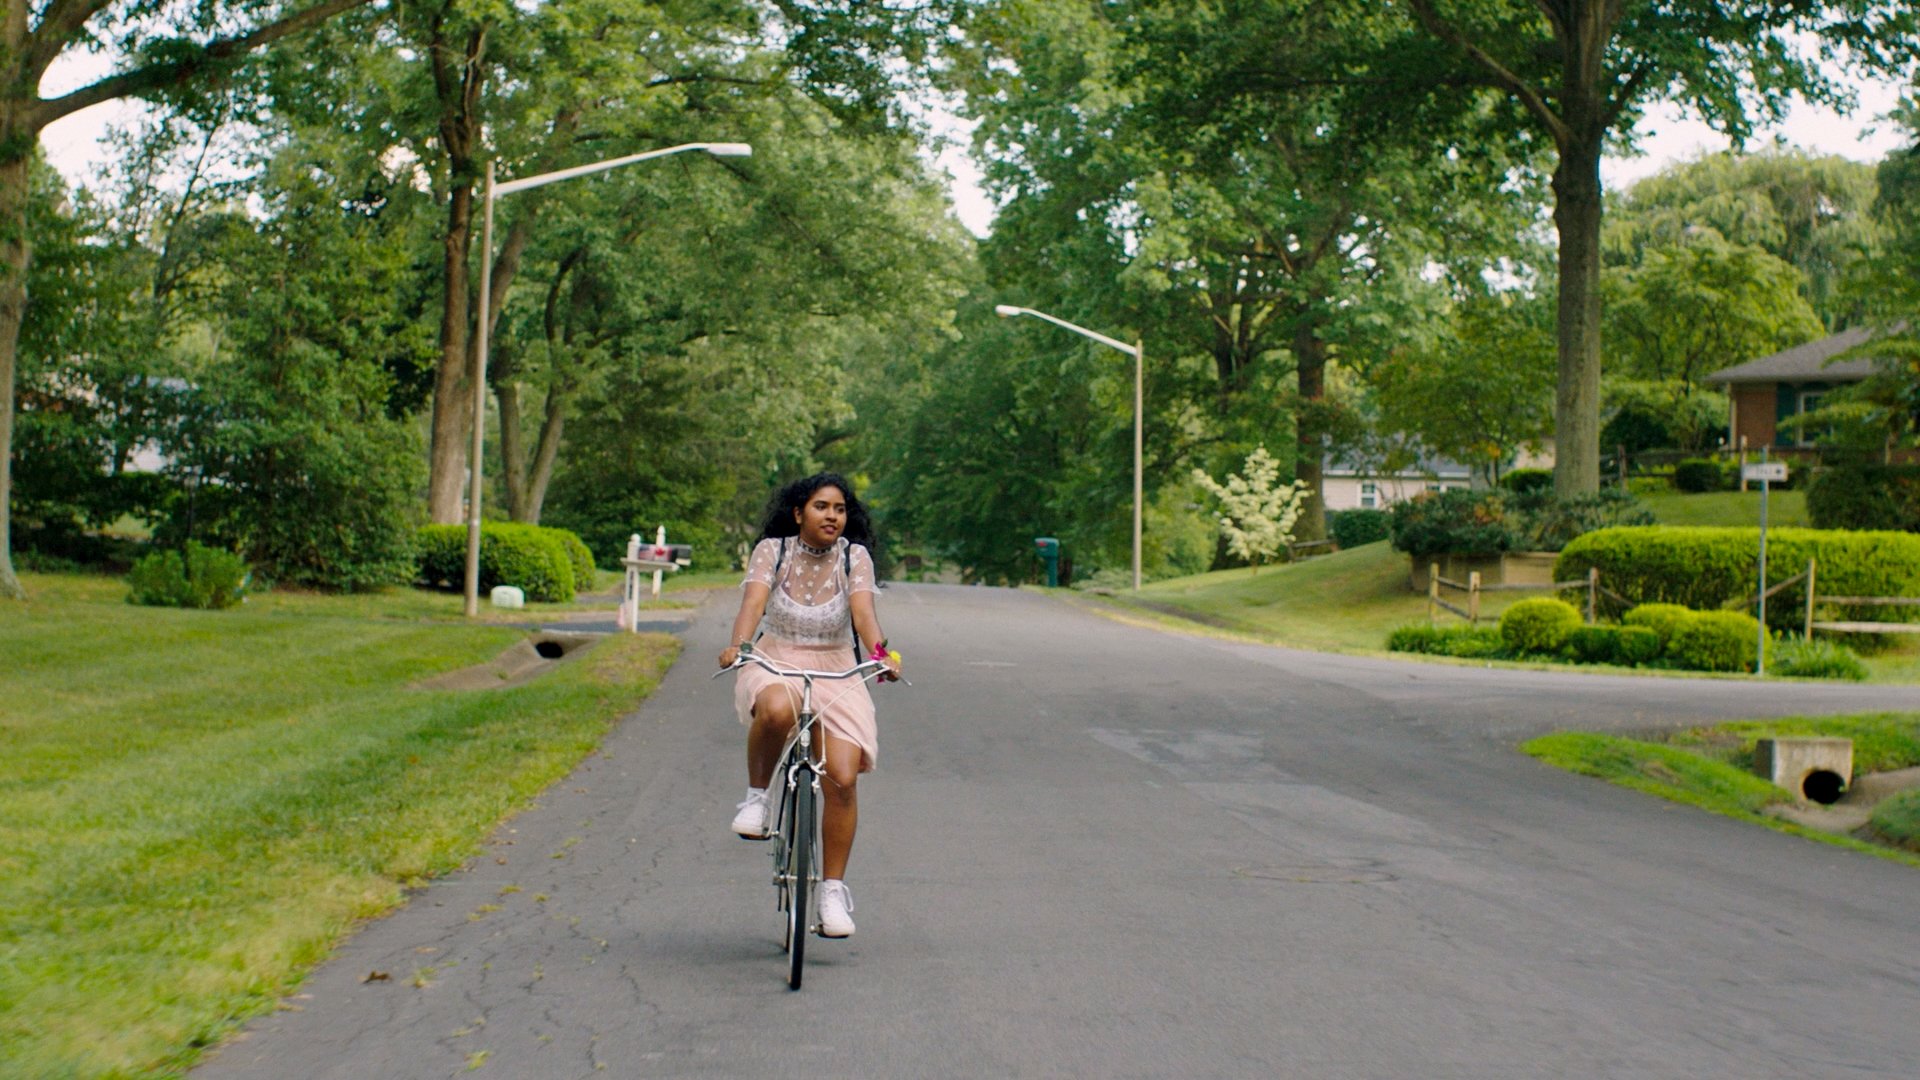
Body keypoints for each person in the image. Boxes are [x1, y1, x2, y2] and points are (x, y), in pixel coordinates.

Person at [719, 473, 901, 938]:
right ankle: (758, 799)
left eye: (839, 509)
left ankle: (832, 893)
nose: (832, 516)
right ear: (799, 512)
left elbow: (864, 616)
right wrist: (738, 645)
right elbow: (753, 604)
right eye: (821, 507)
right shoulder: (772, 551)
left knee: (841, 777)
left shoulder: (853, 558)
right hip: (775, 658)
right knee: (777, 710)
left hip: (835, 667)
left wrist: (882, 657)